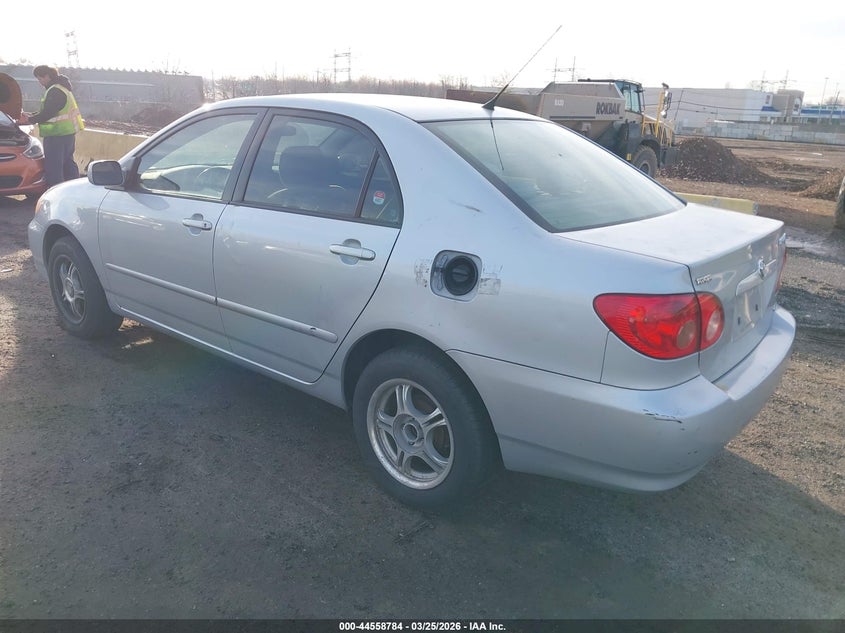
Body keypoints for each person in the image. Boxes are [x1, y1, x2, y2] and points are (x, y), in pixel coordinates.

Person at [17, 65, 84, 187]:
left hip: (56, 135)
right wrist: (31, 115)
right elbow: (51, 111)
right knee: (68, 163)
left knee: (54, 166)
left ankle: (54, 192)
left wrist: (30, 119)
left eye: (40, 79)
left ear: (47, 76)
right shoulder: (63, 88)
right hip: (67, 133)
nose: (40, 82)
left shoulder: (54, 90)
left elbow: (48, 113)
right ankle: (74, 189)